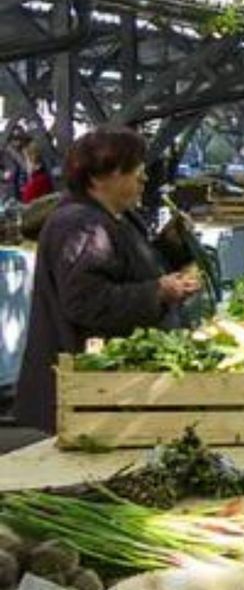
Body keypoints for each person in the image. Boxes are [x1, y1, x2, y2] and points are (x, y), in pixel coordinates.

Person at [17, 127, 203, 433]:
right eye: (133, 169)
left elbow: (130, 268)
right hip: (87, 393)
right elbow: (87, 302)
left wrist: (173, 245)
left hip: (106, 391)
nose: (143, 177)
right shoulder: (80, 225)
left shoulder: (115, 217)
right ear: (98, 177)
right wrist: (158, 292)